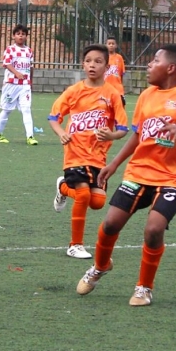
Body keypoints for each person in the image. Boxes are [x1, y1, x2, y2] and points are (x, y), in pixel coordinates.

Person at [76, 44, 176, 306]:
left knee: (154, 229)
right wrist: (115, 164)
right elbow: (138, 134)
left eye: (155, 61)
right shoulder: (146, 95)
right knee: (110, 224)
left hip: (175, 177)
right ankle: (100, 267)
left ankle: (144, 287)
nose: (149, 65)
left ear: (171, 68)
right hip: (140, 172)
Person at [49, 44, 128, 259]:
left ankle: (63, 188)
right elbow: (53, 117)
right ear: (83, 64)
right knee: (83, 195)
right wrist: (60, 133)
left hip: (98, 156)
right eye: (88, 61)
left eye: (98, 61)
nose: (92, 65)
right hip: (74, 152)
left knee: (97, 203)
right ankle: (75, 244)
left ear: (106, 66)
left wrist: (111, 135)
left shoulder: (112, 95)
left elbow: (122, 129)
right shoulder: (74, 91)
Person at [0, 24, 38, 145]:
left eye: (23, 34)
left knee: (26, 109)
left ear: (26, 36)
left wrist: (30, 81)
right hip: (11, 84)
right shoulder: (10, 49)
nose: (21, 36)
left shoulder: (29, 51)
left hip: (25, 85)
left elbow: (31, 67)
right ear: (14, 36)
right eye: (18, 34)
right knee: (7, 110)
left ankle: (30, 136)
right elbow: (7, 64)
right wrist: (17, 73)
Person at [105, 35, 126, 106]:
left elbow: (121, 74)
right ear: (106, 45)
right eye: (109, 44)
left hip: (118, 89)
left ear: (116, 45)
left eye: (113, 44)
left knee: (120, 106)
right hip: (106, 88)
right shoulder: (103, 58)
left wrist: (120, 85)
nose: (111, 45)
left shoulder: (119, 58)